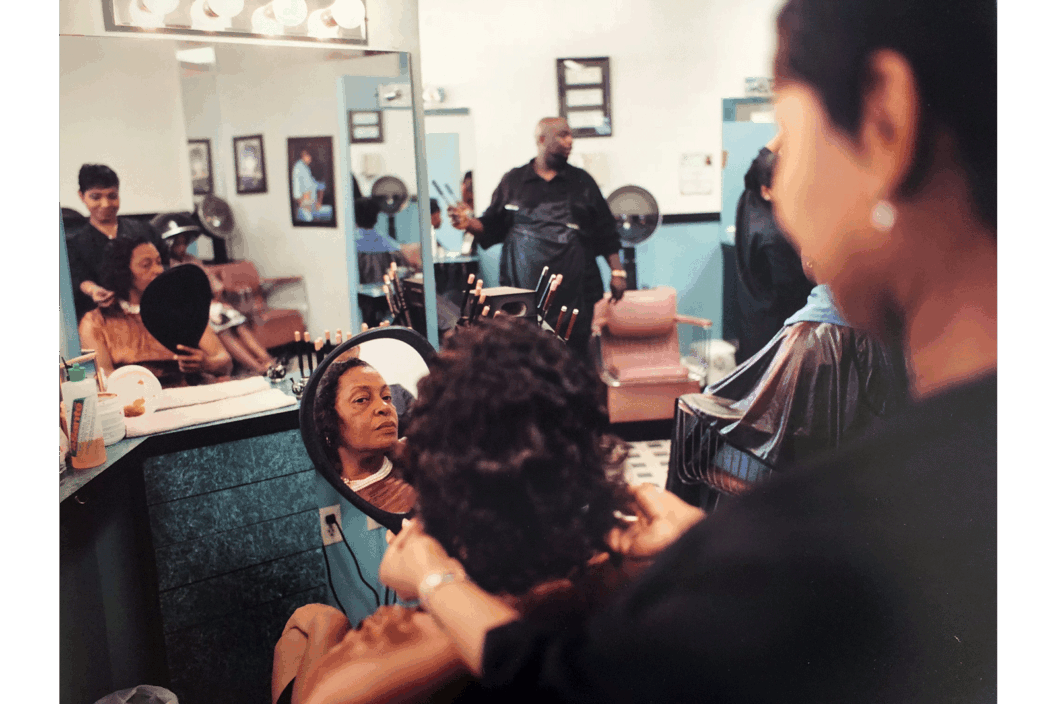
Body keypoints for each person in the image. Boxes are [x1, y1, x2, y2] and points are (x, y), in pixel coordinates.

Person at [379, 1, 997, 701]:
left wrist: (433, 574)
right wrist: (702, 548)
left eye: (789, 141)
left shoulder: (845, 536)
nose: (782, 203)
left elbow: (578, 685)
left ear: (887, 119)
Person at [272, 318, 635, 704]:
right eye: (364, 400)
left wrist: (430, 579)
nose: (385, 411)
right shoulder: (610, 581)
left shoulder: (384, 666)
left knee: (316, 621)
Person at [667, 277, 907, 507]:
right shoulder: (892, 320)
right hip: (870, 474)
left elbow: (761, 411)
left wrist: (702, 402)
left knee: (692, 416)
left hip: (799, 477)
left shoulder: (812, 332)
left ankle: (688, 540)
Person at [448, 118, 627, 356]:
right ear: (542, 139)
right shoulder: (513, 181)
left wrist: (617, 271)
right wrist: (469, 224)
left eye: (570, 135)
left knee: (574, 358)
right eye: (562, 135)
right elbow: (492, 226)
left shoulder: (582, 182)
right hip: (523, 292)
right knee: (527, 357)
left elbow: (605, 230)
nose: (570, 141)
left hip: (576, 292)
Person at [79, 236, 233, 388]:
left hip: (187, 397)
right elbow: (104, 379)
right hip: (135, 405)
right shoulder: (96, 322)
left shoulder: (180, 308)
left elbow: (225, 362)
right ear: (122, 271)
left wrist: (206, 364)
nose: (159, 270)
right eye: (146, 265)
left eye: (159, 262)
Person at [155, 215, 278, 376]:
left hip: (211, 305)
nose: (182, 248)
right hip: (194, 314)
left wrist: (218, 302)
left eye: (185, 242)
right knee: (222, 330)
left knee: (238, 323)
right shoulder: (166, 267)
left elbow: (215, 286)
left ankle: (268, 361)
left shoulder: (192, 260)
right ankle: (256, 367)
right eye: (178, 244)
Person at [732, 140, 814, 363]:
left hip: (750, 314)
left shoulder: (749, 197)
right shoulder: (775, 236)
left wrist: (789, 132)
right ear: (767, 191)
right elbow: (794, 291)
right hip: (774, 329)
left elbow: (761, 159)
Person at [311, 353, 417, 514]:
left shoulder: (422, 468)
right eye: (361, 399)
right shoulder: (319, 496)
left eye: (387, 397)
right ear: (329, 420)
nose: (384, 407)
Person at [66, 164, 170, 321]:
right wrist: (94, 290)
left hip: (152, 314)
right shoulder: (76, 244)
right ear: (82, 196)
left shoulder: (144, 231)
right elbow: (78, 278)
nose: (106, 204)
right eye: (96, 197)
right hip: (107, 321)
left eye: (112, 196)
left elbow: (166, 265)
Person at [292, 149, 334, 223]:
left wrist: (318, 202)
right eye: (308, 156)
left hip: (311, 205)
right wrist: (303, 203)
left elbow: (316, 185)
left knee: (330, 211)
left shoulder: (306, 168)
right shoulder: (298, 168)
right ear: (303, 155)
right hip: (304, 206)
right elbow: (297, 192)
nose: (310, 158)